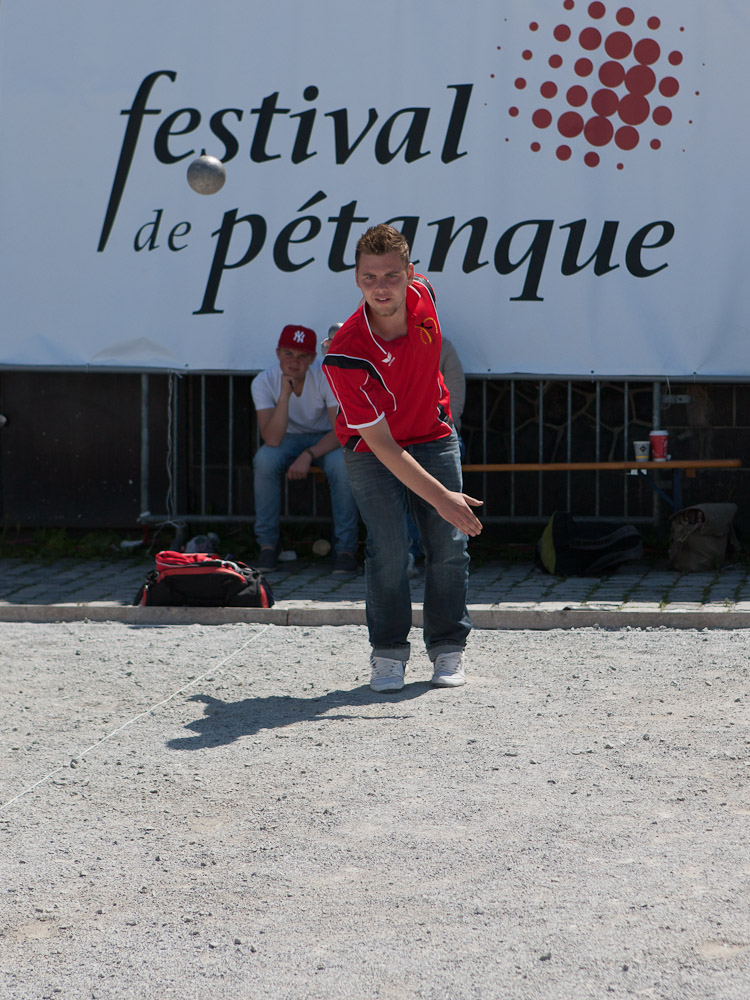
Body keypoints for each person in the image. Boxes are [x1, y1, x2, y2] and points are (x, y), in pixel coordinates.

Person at [322, 224, 483, 692]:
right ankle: (389, 653)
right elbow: (385, 447)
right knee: (390, 550)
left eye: (391, 275)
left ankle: (448, 647)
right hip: (373, 450)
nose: (381, 286)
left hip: (434, 433)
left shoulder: (424, 294)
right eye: (369, 277)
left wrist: (444, 507)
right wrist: (445, 499)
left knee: (450, 545)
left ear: (410, 274)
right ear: (356, 279)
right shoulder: (345, 355)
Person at [251, 324, 360, 573]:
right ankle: (267, 546)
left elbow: (340, 432)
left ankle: (346, 549)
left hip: (326, 438)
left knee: (343, 466)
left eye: (302, 356)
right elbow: (272, 440)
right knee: (264, 460)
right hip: (286, 438)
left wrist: (308, 455)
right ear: (278, 353)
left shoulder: (325, 375)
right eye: (288, 353)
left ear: (312, 358)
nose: (294, 361)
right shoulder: (263, 381)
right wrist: (285, 396)